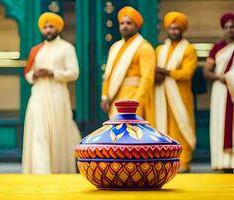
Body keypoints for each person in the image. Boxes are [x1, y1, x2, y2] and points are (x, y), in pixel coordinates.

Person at [22, 12, 81, 174]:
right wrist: (35, 75)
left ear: (58, 28)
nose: (48, 30)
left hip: (57, 95)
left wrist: (53, 73)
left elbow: (74, 73)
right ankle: (41, 171)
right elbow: (28, 74)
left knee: (58, 131)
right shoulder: (36, 50)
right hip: (38, 96)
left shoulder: (67, 48)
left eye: (51, 27)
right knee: (39, 133)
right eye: (45, 27)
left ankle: (58, 169)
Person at [154, 12, 197, 173]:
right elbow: (155, 70)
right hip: (162, 96)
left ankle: (183, 163)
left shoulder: (189, 50)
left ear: (182, 30)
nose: (173, 31)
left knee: (182, 127)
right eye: (171, 28)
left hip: (180, 96)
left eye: (176, 28)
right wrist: (157, 75)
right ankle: (164, 162)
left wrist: (165, 71)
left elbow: (186, 74)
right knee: (163, 127)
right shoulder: (160, 49)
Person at [100, 6, 156, 125]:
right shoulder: (115, 47)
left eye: (129, 23)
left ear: (137, 26)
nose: (124, 26)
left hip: (133, 99)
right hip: (114, 99)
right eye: (122, 23)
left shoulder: (144, 47)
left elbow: (147, 78)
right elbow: (108, 75)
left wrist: (137, 103)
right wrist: (104, 96)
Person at [203, 13, 234, 173]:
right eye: (227, 27)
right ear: (223, 29)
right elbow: (206, 71)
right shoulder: (217, 48)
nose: (230, 30)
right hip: (221, 91)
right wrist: (220, 77)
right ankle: (222, 162)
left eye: (232, 27)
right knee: (220, 123)